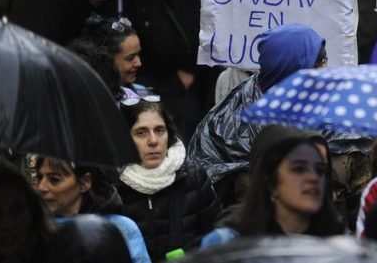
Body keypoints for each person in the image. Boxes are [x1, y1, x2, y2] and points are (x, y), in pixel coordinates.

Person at [64, 0, 198, 125]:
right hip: (107, 83)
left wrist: (187, 71)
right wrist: (90, 0)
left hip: (162, 79)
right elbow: (71, 28)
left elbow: (188, 13)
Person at [188, 24, 328, 200]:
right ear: (289, 68)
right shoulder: (226, 126)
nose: (325, 70)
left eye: (324, 61)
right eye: (316, 64)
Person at [201, 127, 343, 246]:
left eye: (320, 170)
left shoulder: (339, 241)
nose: (313, 178)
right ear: (270, 181)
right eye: (299, 169)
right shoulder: (228, 242)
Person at [118, 97, 220, 261]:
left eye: (159, 130)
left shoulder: (193, 177)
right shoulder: (113, 184)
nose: (153, 141)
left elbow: (215, 241)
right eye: (141, 132)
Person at [33, 157, 150, 263]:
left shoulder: (122, 227)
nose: (42, 187)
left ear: (85, 182)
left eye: (54, 179)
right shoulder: (34, 230)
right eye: (39, 177)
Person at [72, 15, 144, 98]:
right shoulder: (85, 99)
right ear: (105, 60)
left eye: (138, 54)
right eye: (130, 58)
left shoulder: (144, 95)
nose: (139, 63)